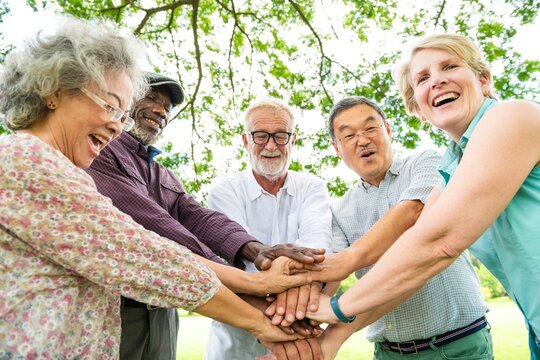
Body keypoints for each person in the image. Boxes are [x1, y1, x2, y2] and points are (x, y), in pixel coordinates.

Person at [0, 16, 310, 359]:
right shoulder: (29, 161)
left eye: (122, 114)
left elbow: (195, 217)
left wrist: (256, 251)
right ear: (55, 91)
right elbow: (141, 248)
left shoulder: (150, 170)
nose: (117, 126)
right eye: (112, 106)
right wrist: (254, 294)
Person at [307, 34, 540, 359]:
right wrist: (325, 332)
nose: (438, 79)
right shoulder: (454, 165)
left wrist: (336, 308)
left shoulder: (511, 116)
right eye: (423, 78)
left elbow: (438, 241)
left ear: (483, 80)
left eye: (450, 66)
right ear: (416, 106)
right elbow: (414, 257)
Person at [86, 73, 323, 360]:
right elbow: (155, 225)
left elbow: (198, 217)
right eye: (151, 98)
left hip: (164, 309)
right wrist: (249, 288)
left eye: (168, 107)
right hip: (120, 309)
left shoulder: (162, 174)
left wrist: (259, 251)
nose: (161, 111)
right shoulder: (102, 151)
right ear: (125, 101)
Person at [317, 96, 492, 359]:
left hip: (457, 345)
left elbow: (413, 212)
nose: (362, 140)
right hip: (388, 352)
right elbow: (331, 275)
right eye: (349, 135)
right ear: (337, 148)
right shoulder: (338, 211)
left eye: (370, 128)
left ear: (387, 130)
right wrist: (296, 310)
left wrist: (349, 259)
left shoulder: (428, 162)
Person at [203, 98, 333, 360]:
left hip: (298, 330)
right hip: (235, 341)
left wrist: (288, 302)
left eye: (281, 136)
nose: (271, 145)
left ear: (292, 140)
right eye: (260, 136)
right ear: (245, 141)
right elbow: (232, 263)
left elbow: (318, 247)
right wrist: (289, 312)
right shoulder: (224, 192)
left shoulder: (313, 187)